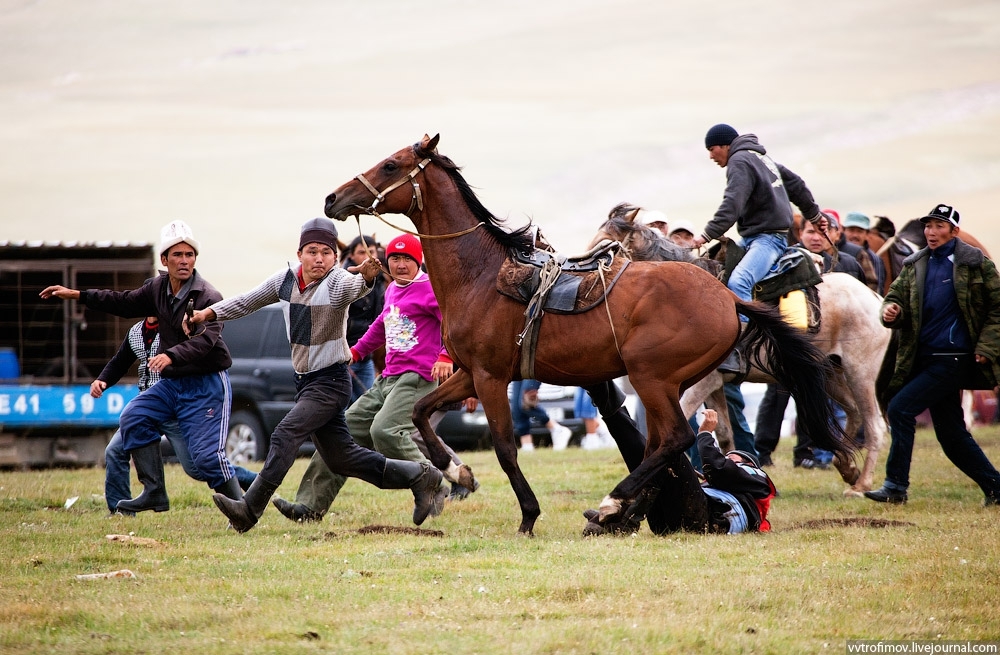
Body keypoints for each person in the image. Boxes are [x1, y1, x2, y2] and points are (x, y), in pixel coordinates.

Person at [188, 220, 444, 532]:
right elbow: (248, 300)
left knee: (285, 433)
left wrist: (364, 276)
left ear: (336, 258)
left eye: (326, 252)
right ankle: (420, 475)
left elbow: (353, 288)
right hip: (305, 382)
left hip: (331, 381)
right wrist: (208, 314)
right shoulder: (284, 281)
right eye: (312, 251)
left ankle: (249, 509)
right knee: (343, 459)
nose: (319, 258)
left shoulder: (337, 282)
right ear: (299, 253)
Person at [41, 220, 243, 513]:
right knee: (134, 415)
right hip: (172, 384)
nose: (184, 261)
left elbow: (206, 341)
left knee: (205, 462)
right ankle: (154, 492)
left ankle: (243, 509)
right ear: (164, 260)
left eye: (189, 255)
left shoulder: (208, 297)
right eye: (177, 255)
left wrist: (171, 355)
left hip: (207, 385)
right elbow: (121, 302)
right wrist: (77, 295)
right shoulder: (158, 288)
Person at [865, 203, 1000, 506]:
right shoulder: (916, 263)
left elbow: (997, 309)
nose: (931, 231)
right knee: (951, 433)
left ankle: (895, 486)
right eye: (928, 226)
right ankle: (996, 486)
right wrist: (890, 311)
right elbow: (895, 297)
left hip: (954, 357)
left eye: (939, 226)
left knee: (900, 408)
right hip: (924, 358)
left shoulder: (977, 264)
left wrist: (987, 347)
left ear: (954, 231)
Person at [691, 124, 826, 372]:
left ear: (725, 145)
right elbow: (796, 184)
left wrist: (705, 235)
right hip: (754, 237)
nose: (711, 156)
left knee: (739, 282)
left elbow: (732, 203)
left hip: (768, 239)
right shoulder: (761, 158)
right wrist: (814, 214)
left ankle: (739, 349)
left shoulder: (739, 161)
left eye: (712, 149)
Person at [95, 317, 257, 514]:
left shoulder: (175, 330)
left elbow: (200, 347)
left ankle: (253, 483)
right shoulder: (136, 332)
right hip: (147, 408)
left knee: (197, 467)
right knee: (114, 450)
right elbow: (120, 362)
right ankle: (121, 511)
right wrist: (103, 380)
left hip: (176, 407)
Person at [584, 408, 775, 535]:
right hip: (666, 524)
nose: (727, 458)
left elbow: (718, 468)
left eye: (732, 456)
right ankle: (612, 409)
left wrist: (706, 433)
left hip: (707, 521)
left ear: (749, 464)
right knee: (650, 458)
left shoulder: (758, 478)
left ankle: (625, 520)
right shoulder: (732, 486)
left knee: (671, 450)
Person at [341, 235, 386, 402]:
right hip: (345, 357)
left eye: (371, 252)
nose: (367, 257)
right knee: (343, 406)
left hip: (366, 358)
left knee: (368, 406)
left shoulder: (379, 281)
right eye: (362, 252)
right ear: (352, 256)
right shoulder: (344, 281)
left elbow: (378, 322)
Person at [513, 379, 573, 451]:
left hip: (531, 368)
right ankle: (527, 446)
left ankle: (557, 429)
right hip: (517, 367)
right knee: (516, 407)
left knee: (526, 402)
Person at [842, 211, 886, 293]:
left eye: (859, 231)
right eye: (851, 230)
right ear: (844, 231)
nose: (855, 235)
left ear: (867, 234)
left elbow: (876, 289)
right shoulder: (835, 254)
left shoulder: (875, 259)